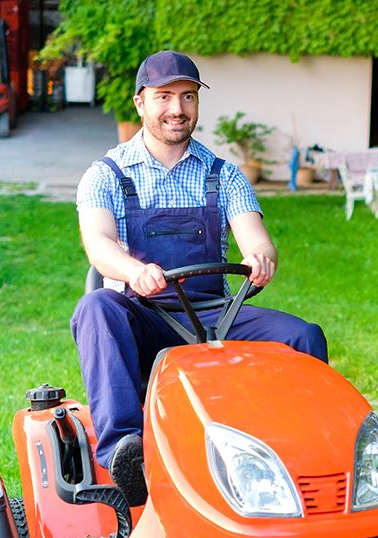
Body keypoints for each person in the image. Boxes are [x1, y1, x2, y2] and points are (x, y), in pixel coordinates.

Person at [71, 50, 328, 506]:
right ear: (140, 103)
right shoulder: (105, 175)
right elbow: (99, 245)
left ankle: (306, 460)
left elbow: (257, 238)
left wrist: (261, 257)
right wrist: (135, 270)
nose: (177, 108)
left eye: (187, 97)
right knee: (96, 307)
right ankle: (126, 457)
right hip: (146, 314)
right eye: (164, 97)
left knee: (303, 336)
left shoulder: (223, 175)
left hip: (217, 317)